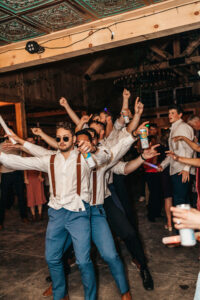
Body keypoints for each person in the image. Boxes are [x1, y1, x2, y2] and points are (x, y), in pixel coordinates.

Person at [0, 122, 111, 300]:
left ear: (73, 139)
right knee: (52, 258)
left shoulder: (84, 157)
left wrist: (93, 149)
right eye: (58, 138)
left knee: (83, 261)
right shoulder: (50, 159)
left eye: (65, 138)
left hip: (78, 214)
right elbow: (17, 161)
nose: (61, 141)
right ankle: (60, 295)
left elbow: (104, 157)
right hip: (56, 214)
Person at [159, 104, 194, 206]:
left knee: (180, 201)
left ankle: (181, 222)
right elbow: (173, 153)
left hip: (182, 170)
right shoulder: (174, 128)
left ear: (180, 115)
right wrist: (163, 165)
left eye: (173, 113)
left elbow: (190, 149)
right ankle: (186, 222)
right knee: (183, 200)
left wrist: (186, 169)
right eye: (169, 113)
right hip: (176, 169)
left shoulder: (183, 127)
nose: (169, 115)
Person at [0, 138, 28, 230]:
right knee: (3, 198)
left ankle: (24, 216)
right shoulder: (1, 145)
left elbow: (21, 157)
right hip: (5, 173)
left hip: (17, 172)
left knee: (21, 196)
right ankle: (0, 222)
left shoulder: (16, 145)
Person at [24, 137, 46, 221]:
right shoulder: (25, 152)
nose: (30, 142)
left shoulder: (37, 152)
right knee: (31, 196)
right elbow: (24, 167)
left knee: (39, 195)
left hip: (37, 176)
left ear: (34, 142)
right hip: (29, 176)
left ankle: (40, 214)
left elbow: (41, 165)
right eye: (28, 141)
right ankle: (33, 215)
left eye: (31, 141)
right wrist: (25, 177)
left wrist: (40, 175)